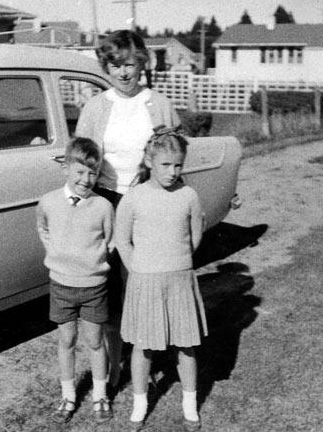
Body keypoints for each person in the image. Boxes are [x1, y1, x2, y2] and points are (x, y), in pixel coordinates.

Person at [75, 29, 182, 392]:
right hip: (105, 200)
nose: (123, 73)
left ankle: (144, 360)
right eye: (115, 65)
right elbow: (82, 161)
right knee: (107, 286)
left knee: (143, 282)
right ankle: (115, 362)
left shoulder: (159, 103)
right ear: (106, 66)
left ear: (142, 64)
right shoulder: (95, 107)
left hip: (145, 202)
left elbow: (174, 156)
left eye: (130, 64)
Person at [115, 128, 207, 432]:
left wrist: (176, 262)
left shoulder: (188, 195)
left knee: (186, 346)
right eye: (165, 165)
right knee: (143, 347)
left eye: (178, 165)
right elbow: (122, 240)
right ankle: (140, 404)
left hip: (179, 280)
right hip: (145, 282)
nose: (172, 172)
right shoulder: (133, 197)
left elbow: (194, 236)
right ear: (149, 161)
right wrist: (138, 269)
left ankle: (190, 405)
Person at [35, 137, 114, 424]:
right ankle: (68, 396)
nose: (86, 179)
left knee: (95, 341)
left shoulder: (103, 206)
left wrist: (93, 261)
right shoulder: (48, 202)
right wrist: (55, 253)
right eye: (80, 172)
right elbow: (43, 228)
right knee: (66, 340)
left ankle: (100, 395)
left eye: (93, 173)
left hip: (94, 286)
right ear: (66, 168)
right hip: (61, 285)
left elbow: (110, 239)